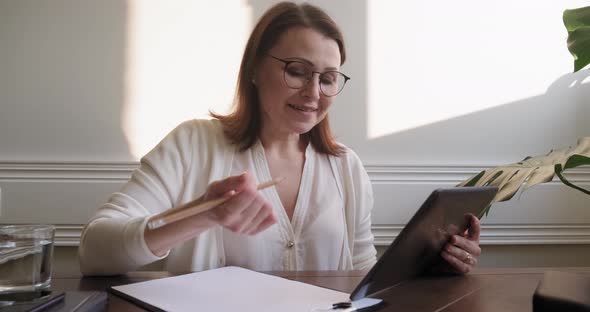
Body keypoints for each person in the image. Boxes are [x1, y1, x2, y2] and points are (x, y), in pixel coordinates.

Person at [78, 1, 481, 275]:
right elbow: (95, 252)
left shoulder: (346, 167)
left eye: (327, 78)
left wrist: (433, 266)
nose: (313, 93)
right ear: (254, 69)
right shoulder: (191, 145)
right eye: (296, 70)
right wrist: (202, 214)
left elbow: (360, 276)